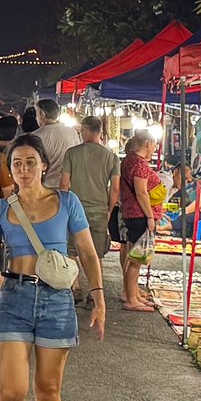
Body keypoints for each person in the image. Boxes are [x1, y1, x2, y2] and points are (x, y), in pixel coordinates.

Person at [0, 139, 105, 401]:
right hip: (13, 298)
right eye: (17, 163)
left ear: (44, 165)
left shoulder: (67, 202)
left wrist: (98, 298)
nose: (23, 170)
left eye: (30, 162)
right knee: (11, 393)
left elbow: (86, 251)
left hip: (56, 300)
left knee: (48, 389)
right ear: (10, 169)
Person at [57, 123, 122, 311]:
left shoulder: (72, 153)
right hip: (99, 211)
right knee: (96, 254)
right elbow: (115, 188)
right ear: (100, 132)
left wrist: (64, 209)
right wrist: (108, 209)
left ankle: (75, 287)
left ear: (85, 130)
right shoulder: (111, 157)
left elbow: (64, 184)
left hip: (74, 210)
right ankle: (95, 294)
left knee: (71, 250)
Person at [114, 129, 173, 313]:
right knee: (137, 259)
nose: (155, 148)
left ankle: (133, 295)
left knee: (134, 256)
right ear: (147, 144)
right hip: (138, 215)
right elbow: (141, 192)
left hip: (133, 213)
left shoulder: (129, 160)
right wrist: (149, 216)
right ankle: (131, 299)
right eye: (154, 144)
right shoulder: (138, 164)